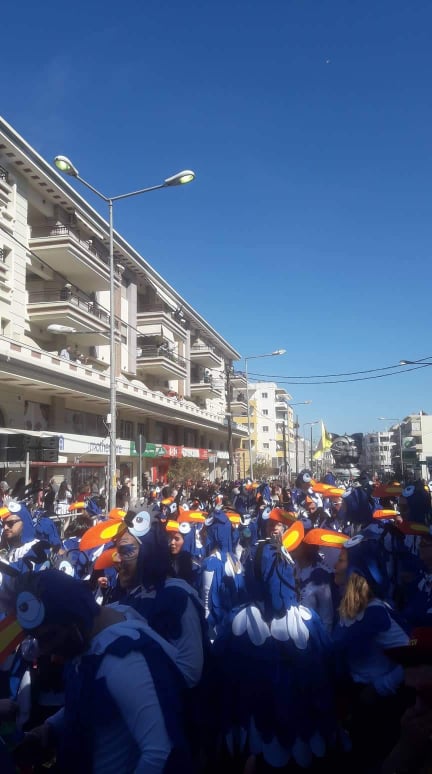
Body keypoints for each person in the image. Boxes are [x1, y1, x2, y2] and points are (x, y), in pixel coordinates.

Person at [10, 570, 193, 773]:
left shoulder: (123, 658)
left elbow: (160, 753)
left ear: (75, 620)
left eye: (49, 636)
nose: (46, 650)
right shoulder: (91, 636)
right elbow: (91, 701)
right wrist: (50, 728)